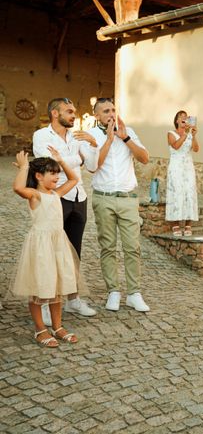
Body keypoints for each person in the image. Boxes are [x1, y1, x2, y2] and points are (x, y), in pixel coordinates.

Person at [10, 149, 87, 347]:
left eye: (57, 172)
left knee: (57, 285)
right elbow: (18, 187)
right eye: (52, 173)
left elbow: (73, 179)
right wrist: (24, 167)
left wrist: (61, 161)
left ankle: (57, 326)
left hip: (58, 244)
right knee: (39, 287)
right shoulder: (34, 195)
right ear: (38, 176)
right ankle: (40, 329)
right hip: (41, 247)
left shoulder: (56, 193)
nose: (57, 176)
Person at [32, 98, 98, 326]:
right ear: (54, 113)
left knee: (74, 251)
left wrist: (92, 144)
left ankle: (73, 298)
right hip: (56, 197)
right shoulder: (41, 135)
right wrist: (74, 159)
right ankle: (46, 303)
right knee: (49, 253)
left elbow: (92, 165)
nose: (73, 115)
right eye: (69, 111)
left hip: (79, 196)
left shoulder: (76, 136)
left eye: (74, 111)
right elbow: (47, 164)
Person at [86, 98, 151, 312]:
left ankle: (134, 293)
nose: (111, 113)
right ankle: (113, 291)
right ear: (97, 115)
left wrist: (125, 138)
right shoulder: (92, 135)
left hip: (127, 198)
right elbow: (93, 167)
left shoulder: (128, 131)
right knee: (108, 247)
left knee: (133, 247)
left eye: (113, 109)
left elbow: (144, 158)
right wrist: (108, 139)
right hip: (103, 197)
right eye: (106, 111)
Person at [165, 110, 200, 236]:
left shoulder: (190, 135)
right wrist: (185, 135)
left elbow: (196, 149)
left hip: (188, 167)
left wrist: (194, 135)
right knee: (176, 192)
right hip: (176, 167)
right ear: (177, 121)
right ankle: (175, 224)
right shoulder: (171, 133)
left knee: (189, 193)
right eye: (182, 117)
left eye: (186, 117)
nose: (184, 118)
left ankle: (188, 225)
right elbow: (175, 146)